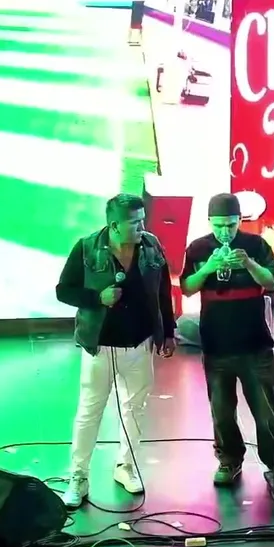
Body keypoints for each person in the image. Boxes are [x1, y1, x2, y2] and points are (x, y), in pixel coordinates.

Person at [55, 193, 177, 509]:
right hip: (99, 346)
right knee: (89, 411)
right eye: (134, 223)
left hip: (140, 344)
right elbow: (63, 291)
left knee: (134, 409)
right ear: (114, 226)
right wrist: (98, 298)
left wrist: (169, 331)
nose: (142, 227)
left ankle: (126, 466)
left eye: (142, 220)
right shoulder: (86, 247)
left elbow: (163, 291)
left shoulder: (151, 246)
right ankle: (79, 476)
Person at [181, 193, 274, 489]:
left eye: (230, 225)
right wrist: (208, 268)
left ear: (239, 220)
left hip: (255, 343)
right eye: (218, 225)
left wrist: (249, 264)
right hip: (216, 343)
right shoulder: (198, 248)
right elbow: (187, 288)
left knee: (266, 410)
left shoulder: (256, 245)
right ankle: (229, 460)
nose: (224, 232)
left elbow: (272, 282)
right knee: (221, 411)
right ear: (209, 222)